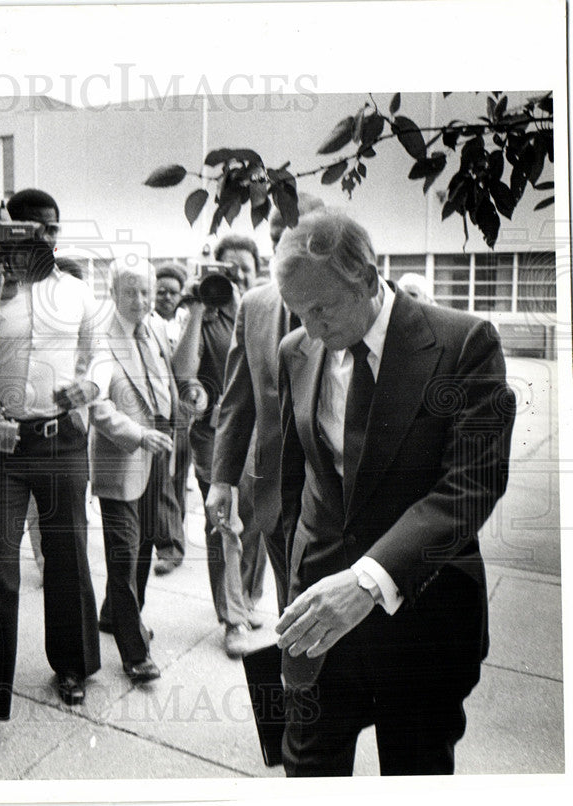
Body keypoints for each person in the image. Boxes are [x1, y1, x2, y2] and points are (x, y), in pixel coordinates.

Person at [273, 210, 515, 775]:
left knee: (414, 776)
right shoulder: (296, 352)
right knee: (306, 771)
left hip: (423, 623)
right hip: (319, 624)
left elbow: (470, 485)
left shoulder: (463, 344)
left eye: (321, 308)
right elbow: (295, 481)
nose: (309, 327)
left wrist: (367, 580)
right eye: (297, 310)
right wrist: (294, 580)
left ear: (364, 275)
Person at [0, 188, 101, 766]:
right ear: (9, 229)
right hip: (1, 442)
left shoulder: (77, 292)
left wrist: (88, 386)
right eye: (30, 228)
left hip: (61, 438)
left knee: (67, 554)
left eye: (50, 229)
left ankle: (71, 664)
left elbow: (97, 361)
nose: (42, 238)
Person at [205, 194, 326, 617]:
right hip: (273, 494)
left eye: (296, 242)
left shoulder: (347, 305)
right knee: (288, 607)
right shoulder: (254, 306)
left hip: (335, 497)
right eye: (276, 241)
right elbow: (238, 401)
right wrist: (222, 480)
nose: (282, 253)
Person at [90, 257, 183, 683]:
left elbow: (166, 381)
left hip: (158, 456)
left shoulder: (158, 329)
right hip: (122, 459)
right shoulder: (98, 338)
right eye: (131, 292)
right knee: (124, 556)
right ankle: (135, 652)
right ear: (113, 293)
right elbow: (97, 406)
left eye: (146, 291)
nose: (141, 300)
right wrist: (137, 435)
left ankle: (118, 617)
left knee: (142, 548)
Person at [172, 234, 265, 659]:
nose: (237, 274)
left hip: (262, 433)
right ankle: (233, 618)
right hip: (215, 435)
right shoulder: (202, 317)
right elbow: (183, 371)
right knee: (224, 523)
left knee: (258, 520)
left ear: (257, 269)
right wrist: (194, 310)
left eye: (244, 267)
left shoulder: (264, 310)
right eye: (229, 268)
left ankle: (245, 598)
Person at [150, 262, 191, 575]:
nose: (166, 297)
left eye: (172, 292)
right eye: (160, 291)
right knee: (163, 479)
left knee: (178, 479)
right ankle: (170, 548)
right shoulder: (147, 323)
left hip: (189, 412)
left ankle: (176, 537)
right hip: (160, 413)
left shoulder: (189, 319)